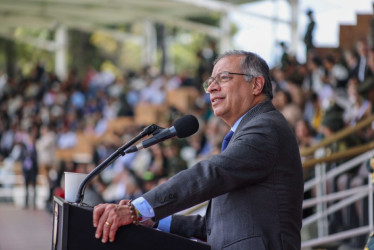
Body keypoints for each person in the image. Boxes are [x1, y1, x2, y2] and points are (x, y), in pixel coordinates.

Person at [93, 50, 304, 250]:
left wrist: (137, 209)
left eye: (223, 78)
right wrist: (153, 220)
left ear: (256, 85)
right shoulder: (249, 132)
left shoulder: (266, 127)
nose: (211, 88)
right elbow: (212, 227)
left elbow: (212, 173)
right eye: (210, 82)